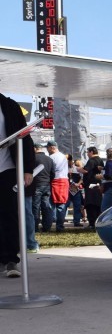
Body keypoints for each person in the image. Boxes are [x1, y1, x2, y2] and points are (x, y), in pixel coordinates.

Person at [0, 93, 35, 278]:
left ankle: (11, 259)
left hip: (7, 168)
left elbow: (25, 137)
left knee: (9, 214)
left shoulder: (9, 106)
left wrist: (27, 168)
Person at [46, 140, 69, 232]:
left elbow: (52, 170)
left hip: (55, 180)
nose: (47, 150)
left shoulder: (51, 157)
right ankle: (59, 226)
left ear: (52, 147)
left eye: (47, 148)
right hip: (63, 181)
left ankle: (50, 225)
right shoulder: (63, 156)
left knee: (52, 205)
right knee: (61, 205)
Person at [79, 146, 104, 229]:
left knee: (90, 204)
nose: (87, 154)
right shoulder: (100, 160)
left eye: (88, 152)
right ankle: (97, 221)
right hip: (98, 184)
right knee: (97, 204)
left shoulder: (92, 160)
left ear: (91, 152)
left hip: (91, 185)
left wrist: (77, 169)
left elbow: (85, 170)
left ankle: (92, 223)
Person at [31, 143, 54, 232]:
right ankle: (47, 226)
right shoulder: (49, 159)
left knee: (35, 206)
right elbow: (53, 173)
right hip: (47, 185)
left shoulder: (33, 159)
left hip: (36, 184)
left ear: (35, 149)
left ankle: (35, 227)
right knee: (46, 206)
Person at [69, 159, 85, 227]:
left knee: (77, 205)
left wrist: (78, 184)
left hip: (74, 189)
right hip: (71, 188)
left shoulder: (76, 169)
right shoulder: (66, 168)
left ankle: (77, 221)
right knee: (76, 206)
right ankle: (76, 221)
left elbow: (82, 177)